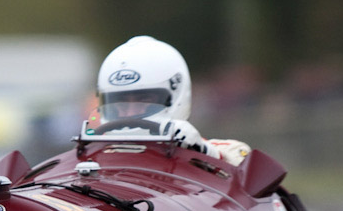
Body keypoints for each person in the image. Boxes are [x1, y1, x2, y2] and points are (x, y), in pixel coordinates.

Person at [92, 36, 251, 166]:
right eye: (121, 104)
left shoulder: (214, 152)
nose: (130, 113)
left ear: (176, 94)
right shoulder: (92, 159)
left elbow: (246, 167)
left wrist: (204, 153)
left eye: (144, 101)